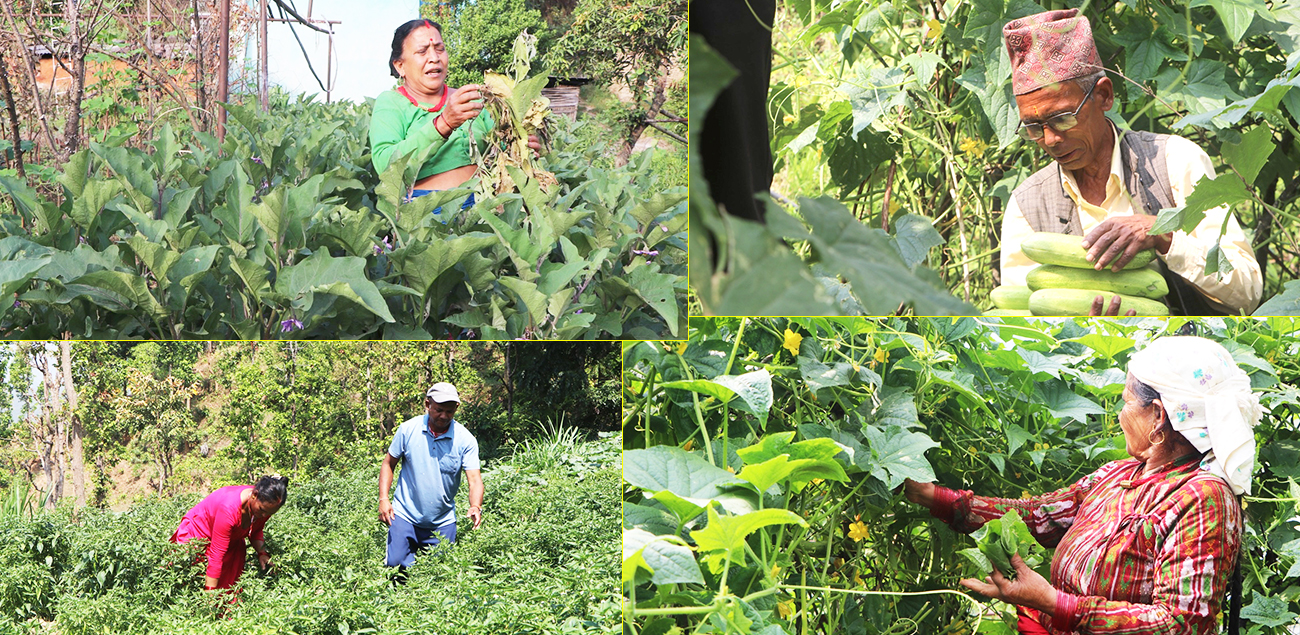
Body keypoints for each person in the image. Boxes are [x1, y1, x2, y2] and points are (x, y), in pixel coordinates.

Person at [904, 336, 1258, 633]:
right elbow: (1039, 515)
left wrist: (1053, 603)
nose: (1120, 415)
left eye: (1126, 402)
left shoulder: (1203, 497)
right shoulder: (1119, 474)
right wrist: (938, 498)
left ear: (1159, 416)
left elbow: (1179, 623)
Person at [998, 10, 1262, 316]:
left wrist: (1165, 237)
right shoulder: (1026, 204)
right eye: (1033, 127)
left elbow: (1248, 293)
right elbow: (1021, 316)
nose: (1050, 139)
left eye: (1062, 118)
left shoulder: (1176, 162)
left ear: (1104, 96)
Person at [370, 19, 542, 204]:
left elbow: (498, 147)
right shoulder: (391, 102)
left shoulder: (469, 98)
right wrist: (443, 124)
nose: (434, 57)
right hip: (426, 212)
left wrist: (520, 145)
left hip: (485, 204)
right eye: (422, 51)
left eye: (440, 48)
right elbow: (386, 166)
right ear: (400, 66)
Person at [378, 382, 483, 577]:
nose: (444, 416)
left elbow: (475, 479)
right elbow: (388, 464)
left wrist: (475, 506)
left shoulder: (465, 439)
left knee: (438, 576)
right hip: (404, 514)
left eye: (450, 412)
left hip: (442, 520)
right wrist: (384, 499)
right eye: (439, 410)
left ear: (456, 409)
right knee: (395, 568)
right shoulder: (408, 430)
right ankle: (399, 605)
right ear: (427, 404)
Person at [171, 475, 288, 591]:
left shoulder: (265, 505)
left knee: (229, 593)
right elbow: (216, 556)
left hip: (230, 539)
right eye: (262, 510)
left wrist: (262, 552)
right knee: (192, 586)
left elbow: (256, 529)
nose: (264, 516)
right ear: (254, 495)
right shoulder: (229, 509)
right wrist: (210, 596)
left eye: (269, 513)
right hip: (198, 534)